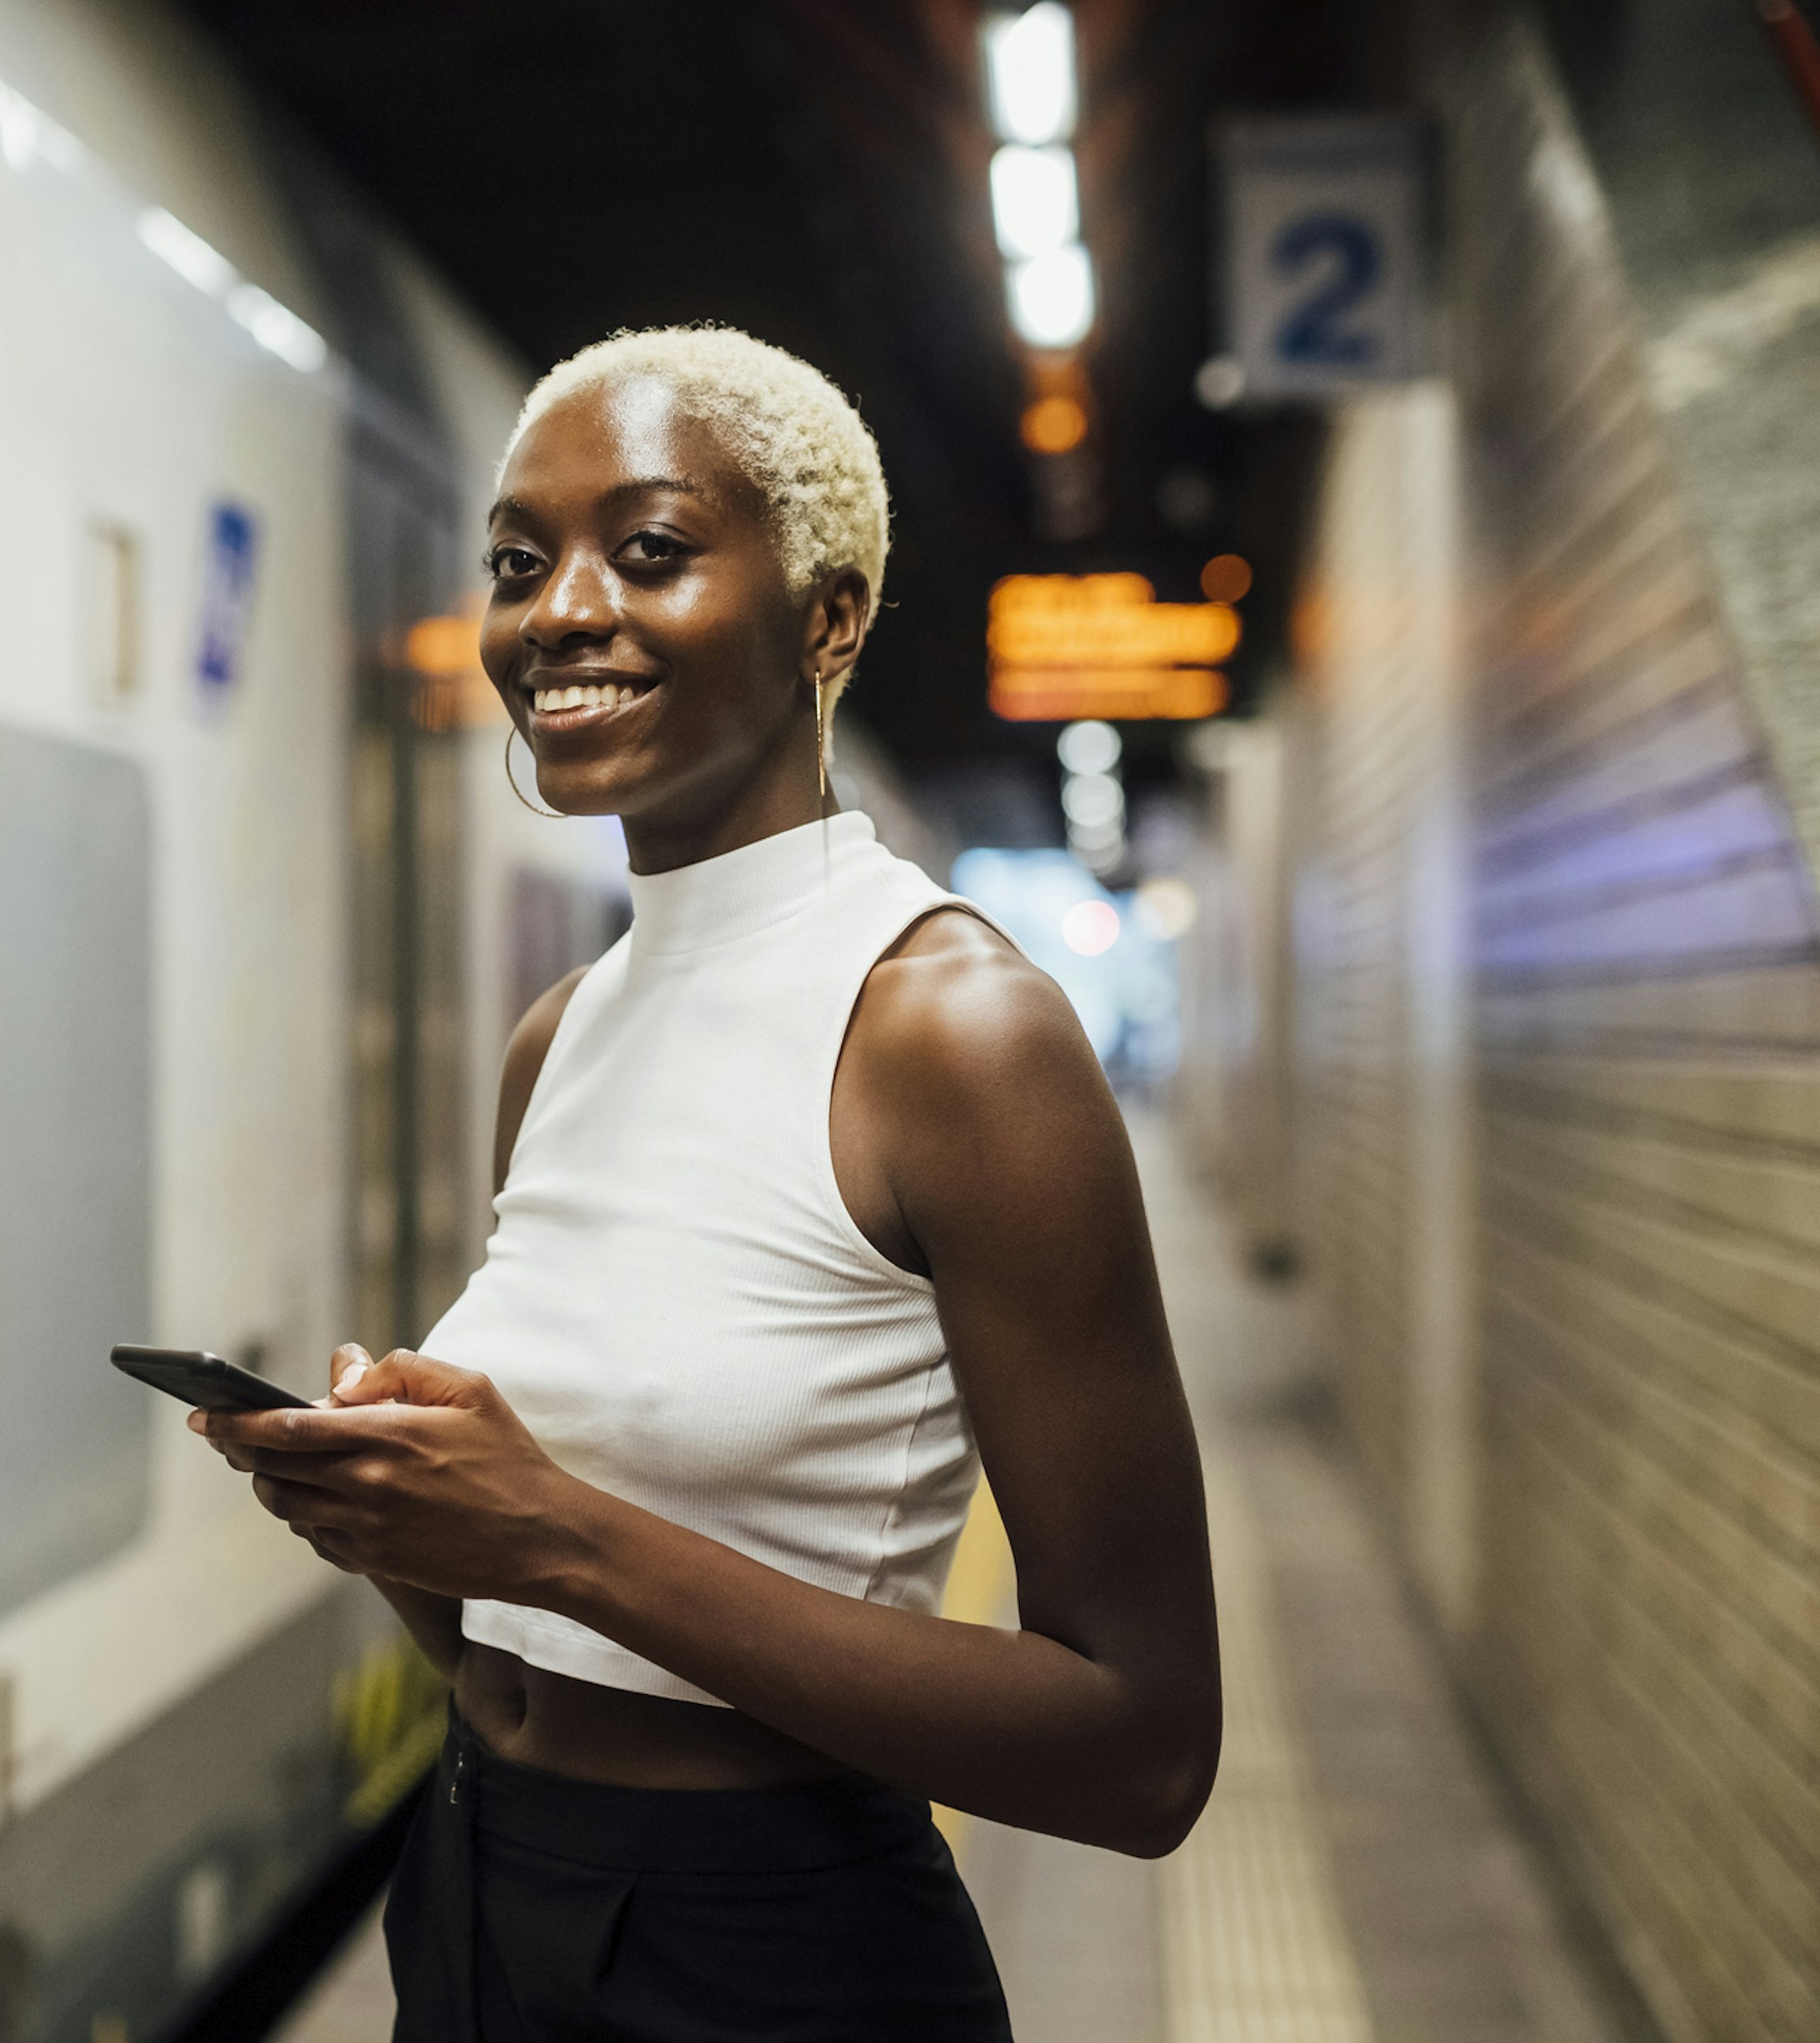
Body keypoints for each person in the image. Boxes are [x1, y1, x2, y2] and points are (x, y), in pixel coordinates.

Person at [195, 326, 1220, 2038]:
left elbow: (1142, 1743)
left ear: (827, 617)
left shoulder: (955, 1034)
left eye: (651, 550)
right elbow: (523, 1637)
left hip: (768, 1951)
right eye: (519, 564)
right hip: (477, 1883)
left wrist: (560, 1531)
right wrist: (401, 1515)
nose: (561, 610)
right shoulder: (563, 1031)